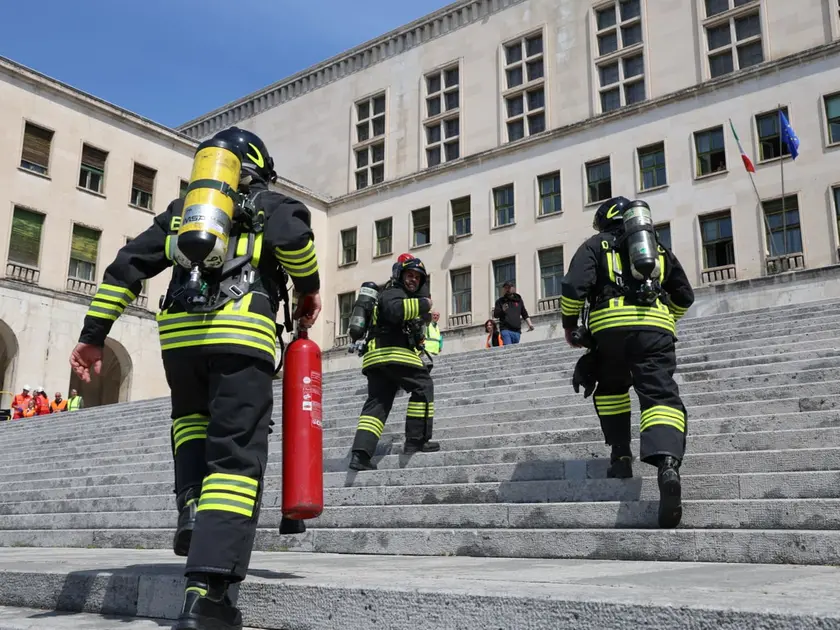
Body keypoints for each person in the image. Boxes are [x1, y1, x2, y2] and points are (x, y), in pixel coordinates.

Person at [68, 126, 322, 630]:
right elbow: (294, 242)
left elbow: (125, 267)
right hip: (241, 335)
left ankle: (190, 508)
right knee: (235, 456)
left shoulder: (182, 213)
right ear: (260, 170)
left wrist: (93, 334)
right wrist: (309, 287)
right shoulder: (273, 204)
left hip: (179, 342)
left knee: (189, 423)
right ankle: (205, 593)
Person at [560, 196, 694, 529]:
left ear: (605, 220)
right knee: (660, 396)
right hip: (656, 332)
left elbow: (574, 286)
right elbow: (684, 295)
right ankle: (667, 466)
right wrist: (665, 318)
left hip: (609, 331)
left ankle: (620, 455)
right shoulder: (658, 250)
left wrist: (569, 325)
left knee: (611, 388)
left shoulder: (595, 245)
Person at [348, 255, 438, 471]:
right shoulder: (392, 292)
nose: (413, 280)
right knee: (423, 386)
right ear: (400, 275)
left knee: (377, 404)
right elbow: (393, 311)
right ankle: (416, 440)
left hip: (377, 358)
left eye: (418, 277)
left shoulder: (397, 295)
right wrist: (424, 303)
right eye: (410, 275)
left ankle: (360, 455)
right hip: (392, 353)